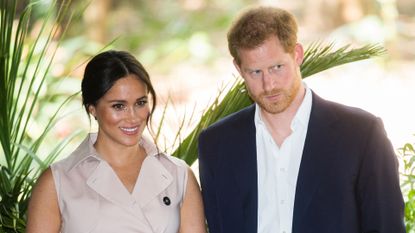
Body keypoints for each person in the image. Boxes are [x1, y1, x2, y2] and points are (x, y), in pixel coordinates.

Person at [198, 6, 406, 233]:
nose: (269, 85)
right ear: (239, 68)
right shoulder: (216, 145)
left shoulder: (362, 135)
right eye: (255, 72)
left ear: (297, 54)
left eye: (277, 67)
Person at [27, 50, 207, 233]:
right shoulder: (57, 182)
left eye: (140, 103)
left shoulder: (179, 175)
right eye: (118, 106)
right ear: (92, 109)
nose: (133, 117)